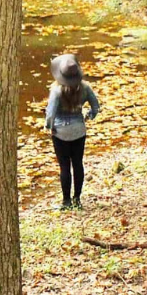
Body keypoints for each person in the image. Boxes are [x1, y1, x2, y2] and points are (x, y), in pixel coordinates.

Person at [43, 53, 100, 210]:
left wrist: (48, 127)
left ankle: (66, 201)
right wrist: (88, 116)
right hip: (79, 131)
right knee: (78, 164)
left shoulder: (56, 91)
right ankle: (77, 199)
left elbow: (50, 114)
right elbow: (96, 107)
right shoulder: (85, 88)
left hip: (60, 133)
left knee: (64, 167)